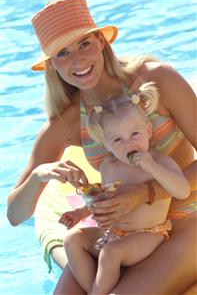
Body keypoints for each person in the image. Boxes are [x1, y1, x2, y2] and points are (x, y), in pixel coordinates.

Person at [6, 0, 197, 294]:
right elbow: (15, 215)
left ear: (100, 41)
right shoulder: (66, 122)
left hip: (188, 214)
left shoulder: (156, 79)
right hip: (117, 236)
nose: (78, 61)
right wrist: (40, 175)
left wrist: (145, 194)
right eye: (62, 53)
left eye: (84, 44)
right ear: (51, 65)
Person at [59, 91, 190, 295]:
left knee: (110, 254)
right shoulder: (109, 166)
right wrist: (80, 213)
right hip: (114, 235)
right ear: (106, 145)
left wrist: (152, 167)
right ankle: (92, 289)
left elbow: (181, 191)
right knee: (72, 240)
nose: (128, 144)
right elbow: (103, 198)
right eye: (117, 140)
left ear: (148, 130)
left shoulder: (161, 162)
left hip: (148, 235)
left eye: (134, 135)